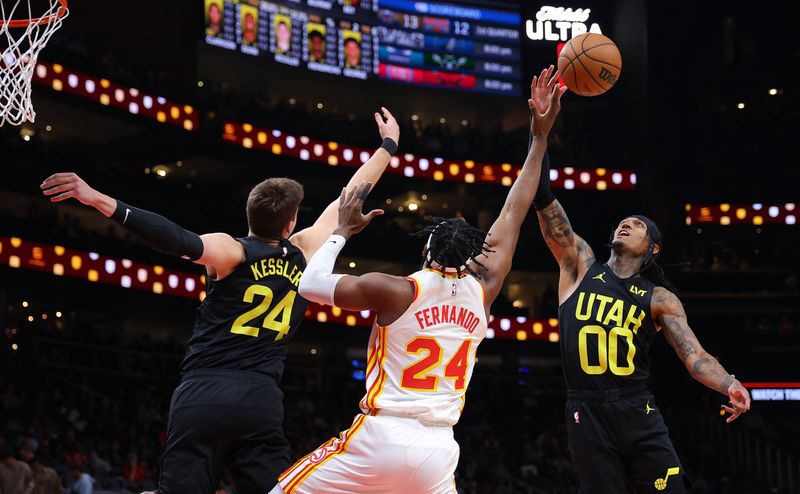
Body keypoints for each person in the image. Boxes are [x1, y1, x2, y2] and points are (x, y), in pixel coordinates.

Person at [40, 108, 401, 494]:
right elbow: (351, 194)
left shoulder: (232, 252)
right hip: (261, 400)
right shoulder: (306, 251)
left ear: (249, 214)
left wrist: (98, 199)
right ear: (291, 223)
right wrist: (388, 145)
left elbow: (176, 239)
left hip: (205, 391)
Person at [270, 70, 566, 494]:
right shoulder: (483, 290)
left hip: (383, 434)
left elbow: (309, 283)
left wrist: (343, 233)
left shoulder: (398, 289)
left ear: (425, 248)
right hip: (439, 446)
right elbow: (514, 210)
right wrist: (539, 138)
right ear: (471, 256)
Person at [529, 65, 751, 492]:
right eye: (623, 221)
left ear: (653, 249)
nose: (626, 224)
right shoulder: (578, 265)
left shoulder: (659, 297)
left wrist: (730, 383)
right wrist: (541, 133)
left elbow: (694, 355)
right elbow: (543, 200)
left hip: (637, 411)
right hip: (586, 412)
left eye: (638, 224)